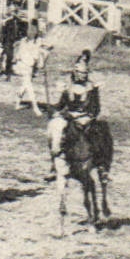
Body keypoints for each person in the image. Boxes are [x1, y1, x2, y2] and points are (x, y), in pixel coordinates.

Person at [48, 52, 101, 181]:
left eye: (83, 73)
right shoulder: (69, 88)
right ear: (74, 72)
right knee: (56, 130)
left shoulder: (91, 88)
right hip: (70, 117)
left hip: (85, 117)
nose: (81, 75)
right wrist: (53, 110)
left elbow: (96, 107)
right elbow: (61, 104)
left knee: (98, 134)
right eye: (78, 72)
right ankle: (54, 164)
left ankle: (100, 166)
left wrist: (90, 116)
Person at [0, 8, 27, 77]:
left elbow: (24, 32)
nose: (15, 15)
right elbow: (4, 33)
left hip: (18, 41)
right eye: (14, 13)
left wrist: (21, 38)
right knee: (9, 55)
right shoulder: (8, 22)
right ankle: (8, 71)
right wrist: (3, 42)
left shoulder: (22, 23)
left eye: (16, 13)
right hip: (9, 41)